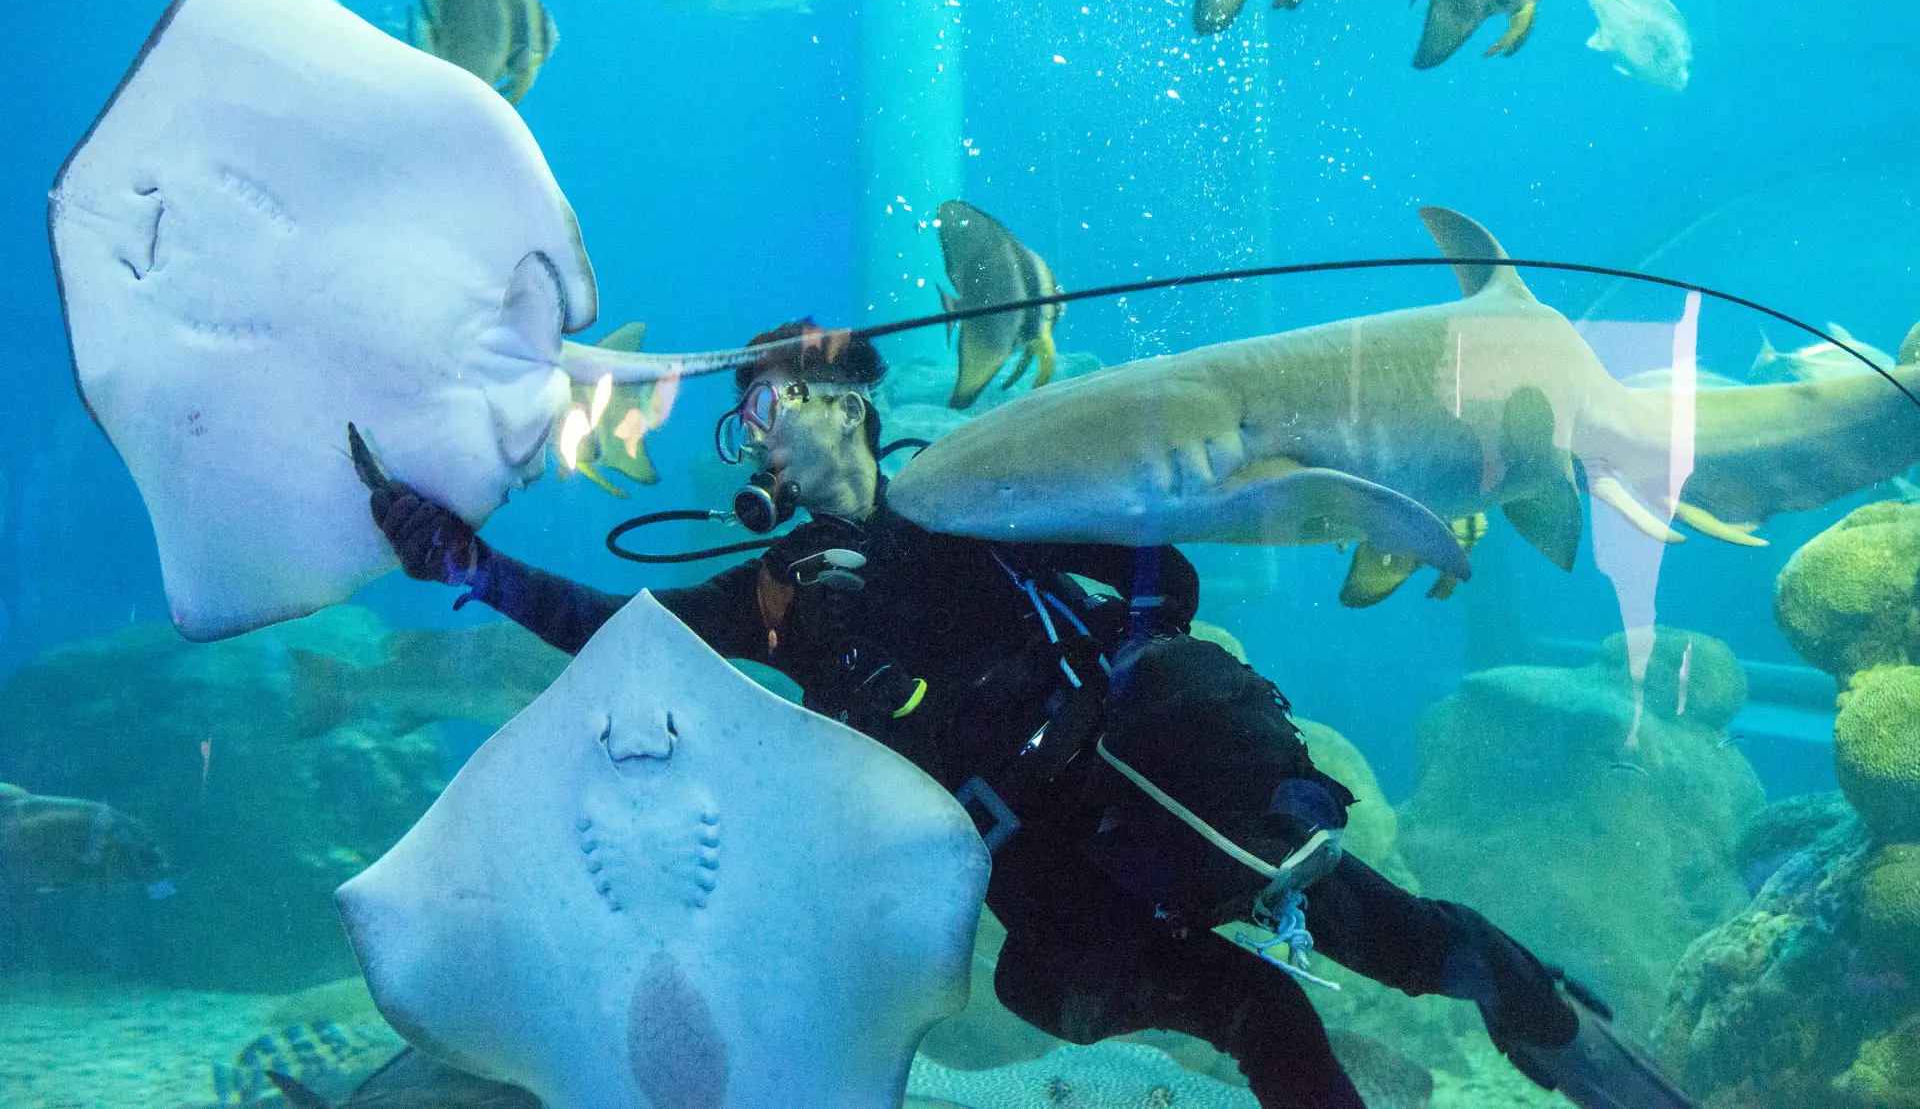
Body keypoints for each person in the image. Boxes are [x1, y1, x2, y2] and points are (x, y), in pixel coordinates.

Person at [366, 321, 1673, 1109]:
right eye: (748, 421)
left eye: (782, 402)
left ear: (850, 407)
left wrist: (1115, 669)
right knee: (1218, 1011)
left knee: (1386, 932)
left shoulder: (985, 491)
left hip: (1150, 780)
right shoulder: (775, 599)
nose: (766, 437)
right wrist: (452, 556)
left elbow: (1172, 571)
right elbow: (604, 629)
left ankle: (1571, 1042)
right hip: (1042, 870)